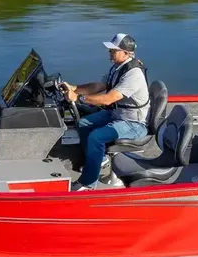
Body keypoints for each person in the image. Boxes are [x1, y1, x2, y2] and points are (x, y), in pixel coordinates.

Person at [63, 33, 150, 191]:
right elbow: (98, 86)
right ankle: (101, 159)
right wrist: (74, 88)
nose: (109, 53)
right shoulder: (117, 68)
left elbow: (108, 99)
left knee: (96, 137)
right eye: (110, 50)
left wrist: (78, 98)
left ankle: (88, 184)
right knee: (83, 123)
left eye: (113, 51)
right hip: (117, 115)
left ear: (126, 53)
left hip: (133, 124)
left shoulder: (133, 74)